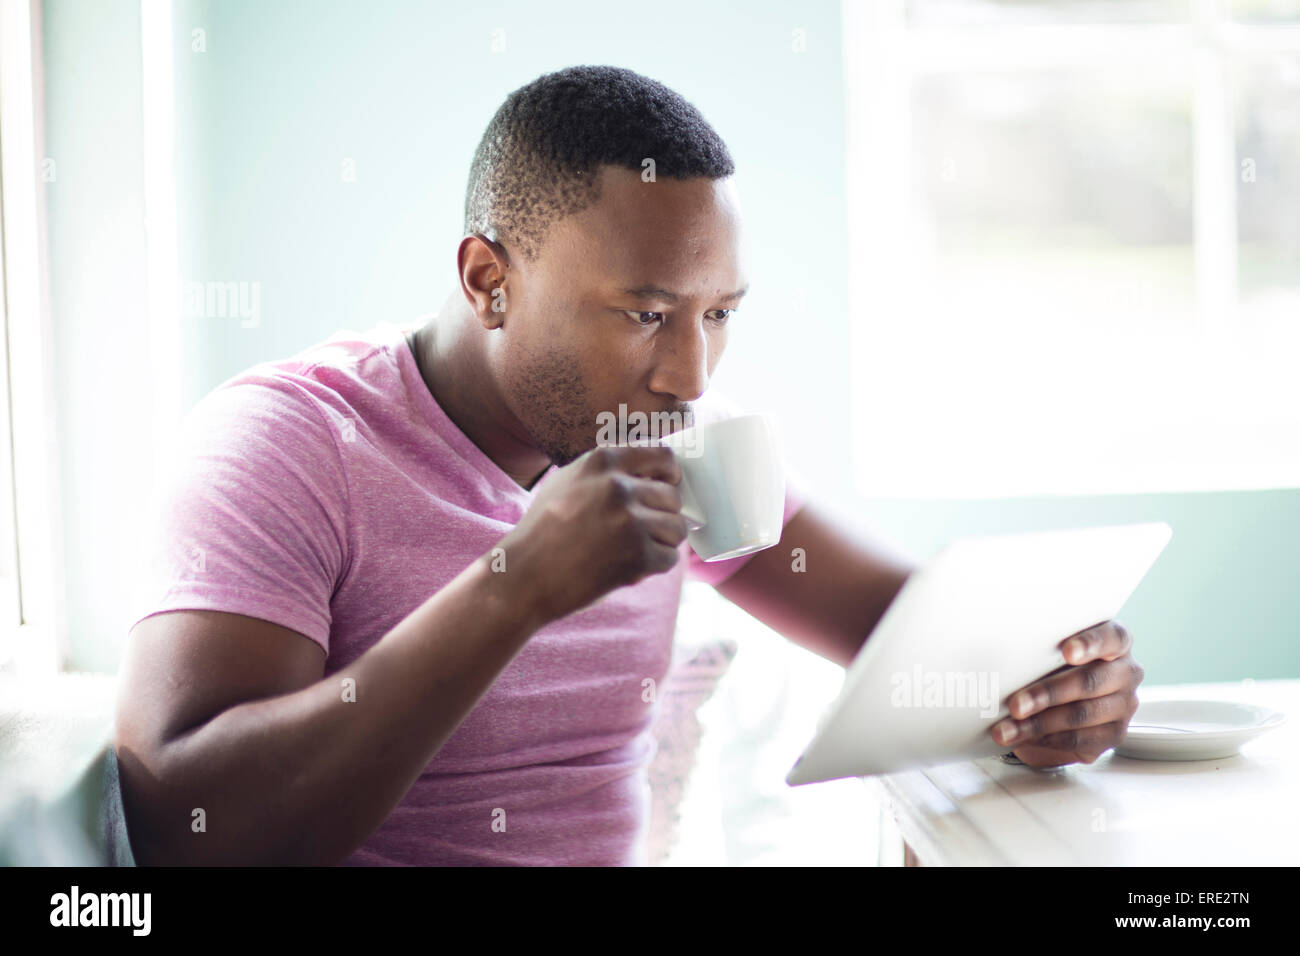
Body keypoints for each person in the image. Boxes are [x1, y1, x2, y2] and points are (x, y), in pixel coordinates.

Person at [114, 65, 1143, 866]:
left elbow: (922, 645)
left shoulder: (685, 448)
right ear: (487, 279)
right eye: (645, 314)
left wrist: (1050, 691)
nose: (690, 374)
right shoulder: (287, 446)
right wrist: (512, 589)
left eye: (721, 315)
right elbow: (190, 827)